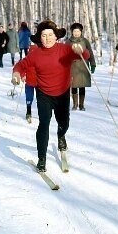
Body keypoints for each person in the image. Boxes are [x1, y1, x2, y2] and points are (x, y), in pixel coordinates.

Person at [11, 20, 89, 172]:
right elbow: (21, 65)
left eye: (50, 35)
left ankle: (61, 136)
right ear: (40, 37)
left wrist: (79, 49)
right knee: (43, 125)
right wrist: (16, 74)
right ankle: (42, 158)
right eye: (44, 35)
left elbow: (84, 56)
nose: (47, 38)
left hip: (63, 93)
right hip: (44, 94)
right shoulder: (36, 54)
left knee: (64, 122)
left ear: (56, 36)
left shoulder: (65, 49)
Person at [67, 22, 96, 110]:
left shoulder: (85, 41)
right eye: (75, 31)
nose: (76, 33)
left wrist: (93, 64)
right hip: (73, 67)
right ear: (72, 32)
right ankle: (75, 104)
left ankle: (81, 104)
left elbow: (90, 52)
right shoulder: (68, 42)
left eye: (78, 31)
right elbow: (64, 54)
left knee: (82, 86)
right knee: (74, 85)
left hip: (83, 66)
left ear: (81, 32)